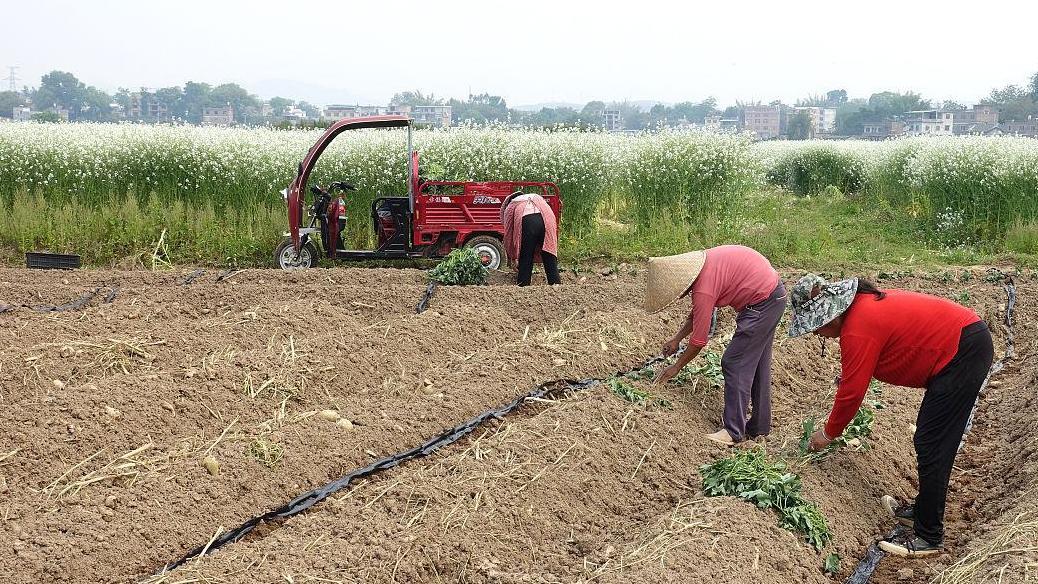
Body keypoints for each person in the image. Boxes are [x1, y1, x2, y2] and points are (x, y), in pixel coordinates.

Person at [788, 274, 993, 558]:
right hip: (963, 342)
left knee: (932, 442)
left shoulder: (858, 326)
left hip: (962, 351)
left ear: (830, 316)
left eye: (814, 327)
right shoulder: (861, 309)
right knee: (929, 439)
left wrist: (827, 434)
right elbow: (860, 371)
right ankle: (922, 511)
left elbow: (851, 394)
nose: (815, 334)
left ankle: (928, 535)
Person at [646, 245, 786, 445]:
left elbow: (698, 341)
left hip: (762, 304)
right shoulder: (706, 265)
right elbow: (697, 315)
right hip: (774, 295)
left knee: (734, 362)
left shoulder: (703, 288)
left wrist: (676, 367)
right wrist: (677, 339)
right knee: (757, 364)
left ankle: (733, 431)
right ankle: (758, 427)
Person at [501, 190, 561, 286]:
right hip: (547, 219)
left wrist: (513, 256)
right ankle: (556, 285)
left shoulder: (511, 205)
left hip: (527, 222)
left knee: (526, 255)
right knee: (548, 255)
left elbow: (508, 233)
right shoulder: (536, 197)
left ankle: (523, 286)